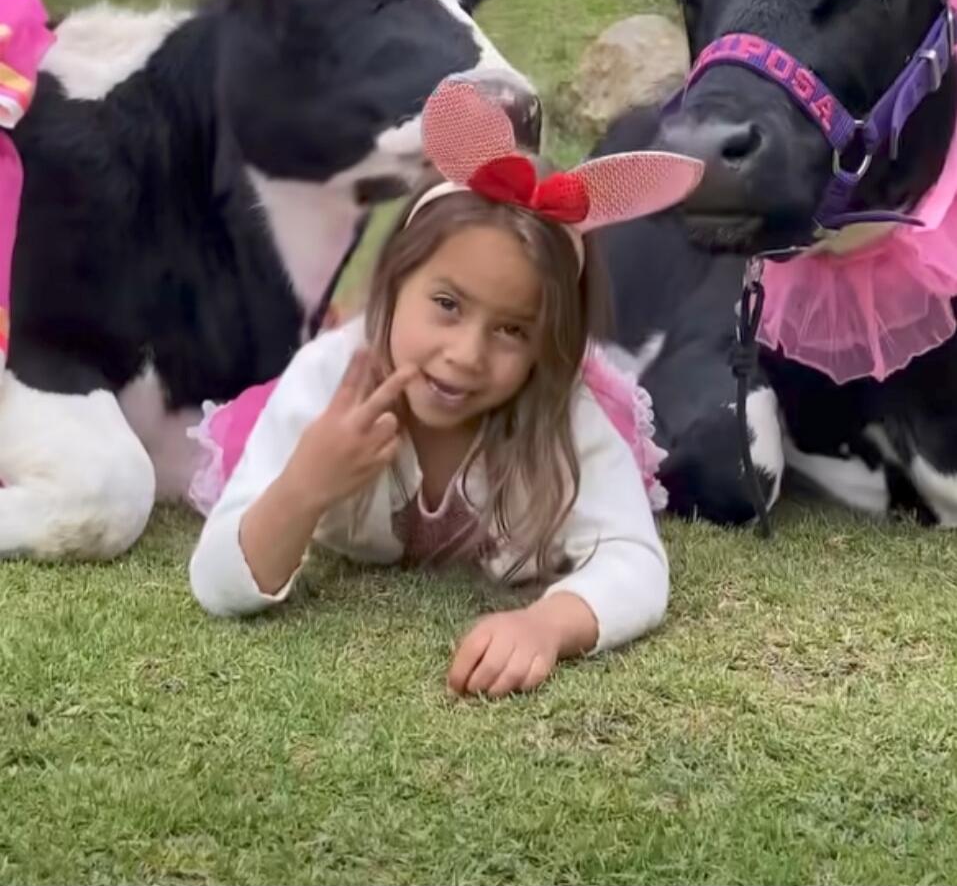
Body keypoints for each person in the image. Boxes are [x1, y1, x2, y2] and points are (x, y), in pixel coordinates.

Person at [188, 78, 702, 697]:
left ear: (549, 346)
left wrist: (546, 625)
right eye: (447, 304)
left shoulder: (563, 410)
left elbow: (635, 560)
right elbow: (216, 582)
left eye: (512, 330)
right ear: (394, 281)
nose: (466, 356)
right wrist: (307, 483)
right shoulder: (327, 381)